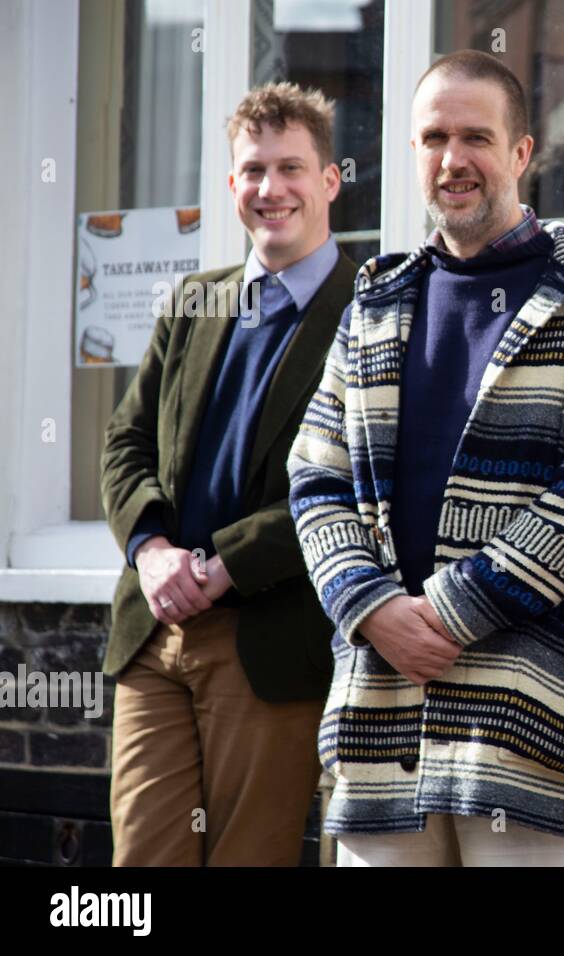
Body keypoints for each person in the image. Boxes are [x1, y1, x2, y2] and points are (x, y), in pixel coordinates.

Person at [287, 50, 564, 867]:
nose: (453, 159)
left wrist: (453, 611)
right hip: (380, 725)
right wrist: (371, 607)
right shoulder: (374, 305)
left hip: (530, 731)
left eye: (476, 137)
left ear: (521, 153)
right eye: (433, 138)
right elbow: (315, 477)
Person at [101, 82, 357, 866]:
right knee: (141, 865)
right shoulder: (194, 300)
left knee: (249, 857)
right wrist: (151, 552)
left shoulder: (369, 311)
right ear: (231, 185)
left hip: (270, 638)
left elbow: (353, 486)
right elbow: (124, 442)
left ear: (329, 180)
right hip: (157, 634)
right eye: (252, 171)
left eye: (290, 168)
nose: (269, 189)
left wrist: (223, 566)